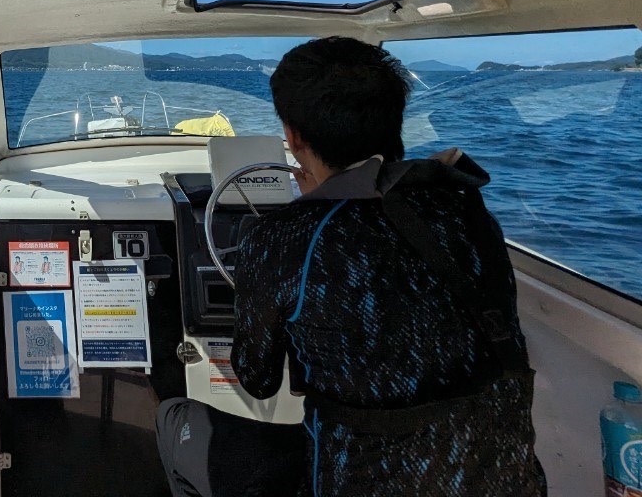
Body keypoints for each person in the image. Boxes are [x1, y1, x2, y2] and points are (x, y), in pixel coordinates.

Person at [157, 36, 546, 497]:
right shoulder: (468, 211)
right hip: (504, 478)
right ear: (393, 121)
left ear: (293, 138)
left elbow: (258, 380)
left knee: (174, 418)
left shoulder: (286, 235)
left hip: (358, 480)